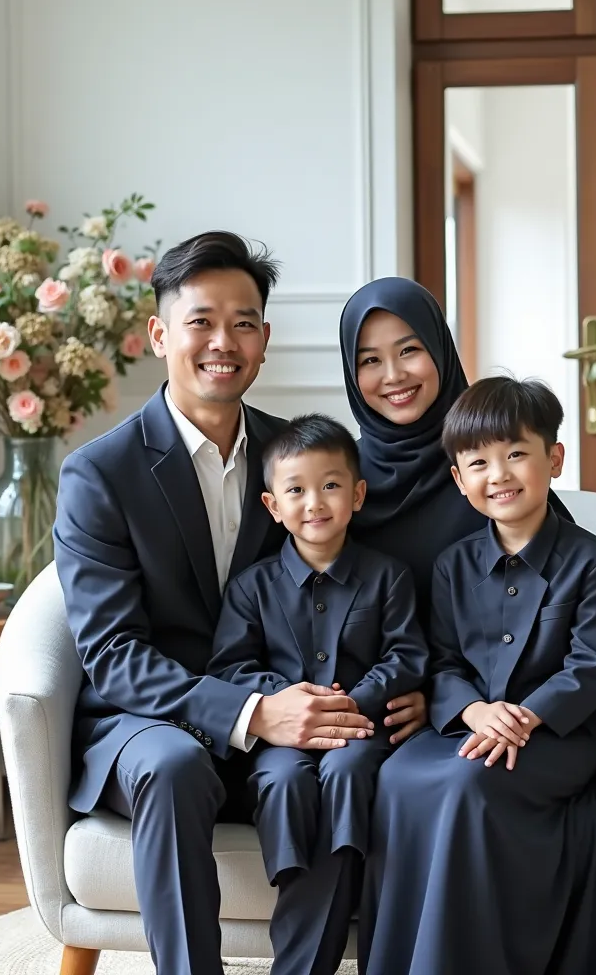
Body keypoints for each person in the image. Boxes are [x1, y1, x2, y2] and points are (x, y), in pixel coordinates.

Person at [53, 232, 383, 975]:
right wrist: (250, 714)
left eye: (243, 323)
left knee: (340, 755)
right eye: (201, 320)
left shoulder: (297, 460)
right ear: (160, 334)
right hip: (142, 724)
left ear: (264, 340)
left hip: (278, 704)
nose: (222, 342)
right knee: (173, 766)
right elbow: (111, 654)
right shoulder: (99, 474)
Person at [359, 376, 596, 975]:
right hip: (470, 724)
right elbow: (441, 659)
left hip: (558, 737)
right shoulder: (453, 564)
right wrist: (473, 711)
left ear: (553, 459)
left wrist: (526, 716)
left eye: (516, 453)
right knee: (397, 776)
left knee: (469, 785)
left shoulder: (593, 563)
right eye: (479, 462)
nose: (500, 474)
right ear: (460, 481)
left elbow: (593, 665)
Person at [209, 413, 428, 974]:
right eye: (296, 490)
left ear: (357, 494)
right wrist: (287, 701)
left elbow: (407, 656)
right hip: (280, 742)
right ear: (272, 506)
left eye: (330, 485)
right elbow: (231, 667)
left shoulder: (389, 576)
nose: (315, 502)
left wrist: (354, 700)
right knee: (282, 778)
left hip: (361, 732)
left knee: (349, 771)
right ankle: (299, 876)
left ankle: (336, 874)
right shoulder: (251, 587)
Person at [339, 275, 573, 744]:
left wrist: (445, 698)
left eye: (409, 350)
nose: (393, 375)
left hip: (483, 716)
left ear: (441, 350)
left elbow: (561, 622)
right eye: (370, 360)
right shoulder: (339, 484)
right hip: (363, 716)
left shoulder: (492, 477)